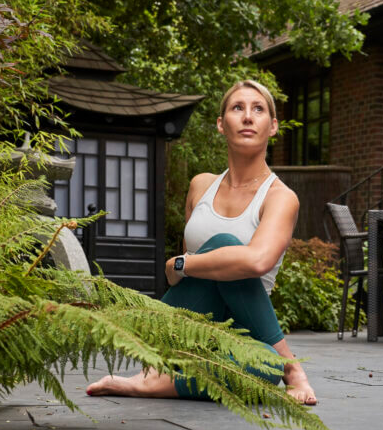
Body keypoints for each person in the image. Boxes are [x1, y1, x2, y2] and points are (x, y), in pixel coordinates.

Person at [86, 80, 317, 405]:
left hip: (243, 334)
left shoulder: (280, 198)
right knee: (222, 244)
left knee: (265, 363)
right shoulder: (200, 187)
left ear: (273, 126)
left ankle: (156, 381)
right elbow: (185, 284)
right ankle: (288, 372)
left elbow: (255, 262)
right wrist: (184, 267)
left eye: (258, 109)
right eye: (238, 108)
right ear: (222, 124)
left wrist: (183, 263)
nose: (248, 117)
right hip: (185, 329)